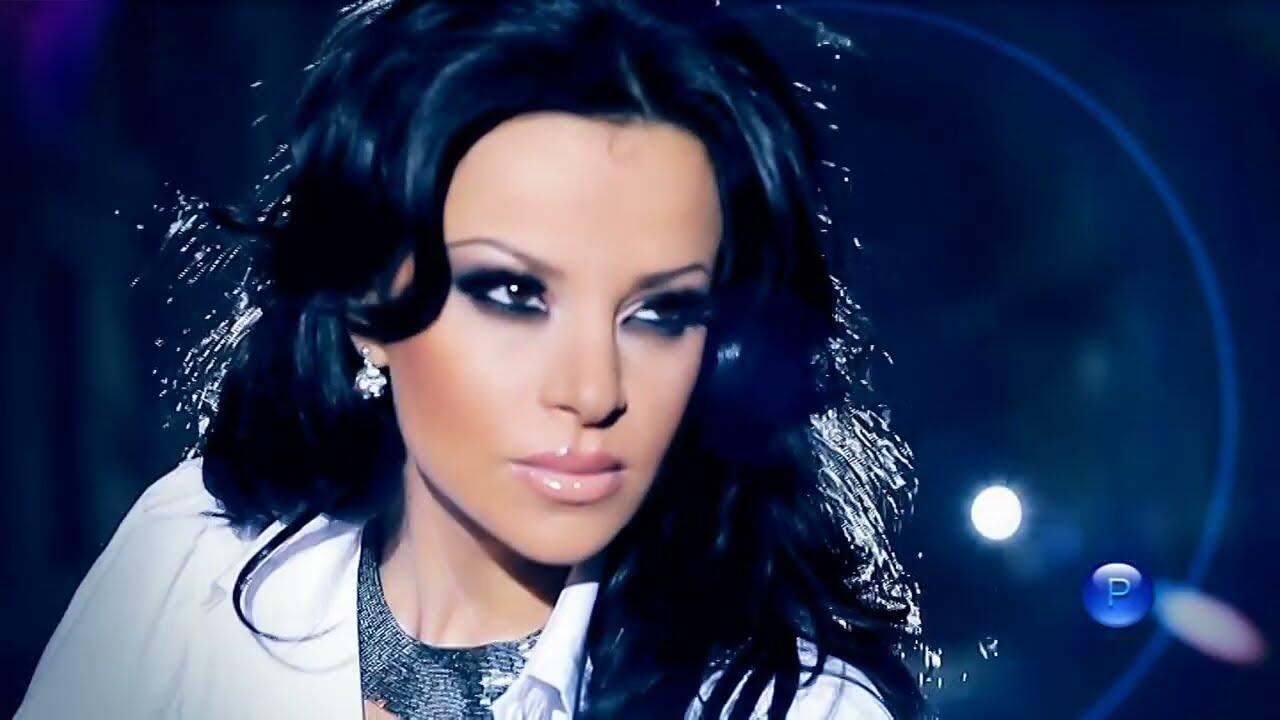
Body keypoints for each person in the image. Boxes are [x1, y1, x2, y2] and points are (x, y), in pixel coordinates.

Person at [18, 0, 926, 717]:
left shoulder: (802, 707)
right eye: (513, 294)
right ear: (366, 307)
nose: (593, 390)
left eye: (659, 312)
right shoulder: (188, 562)